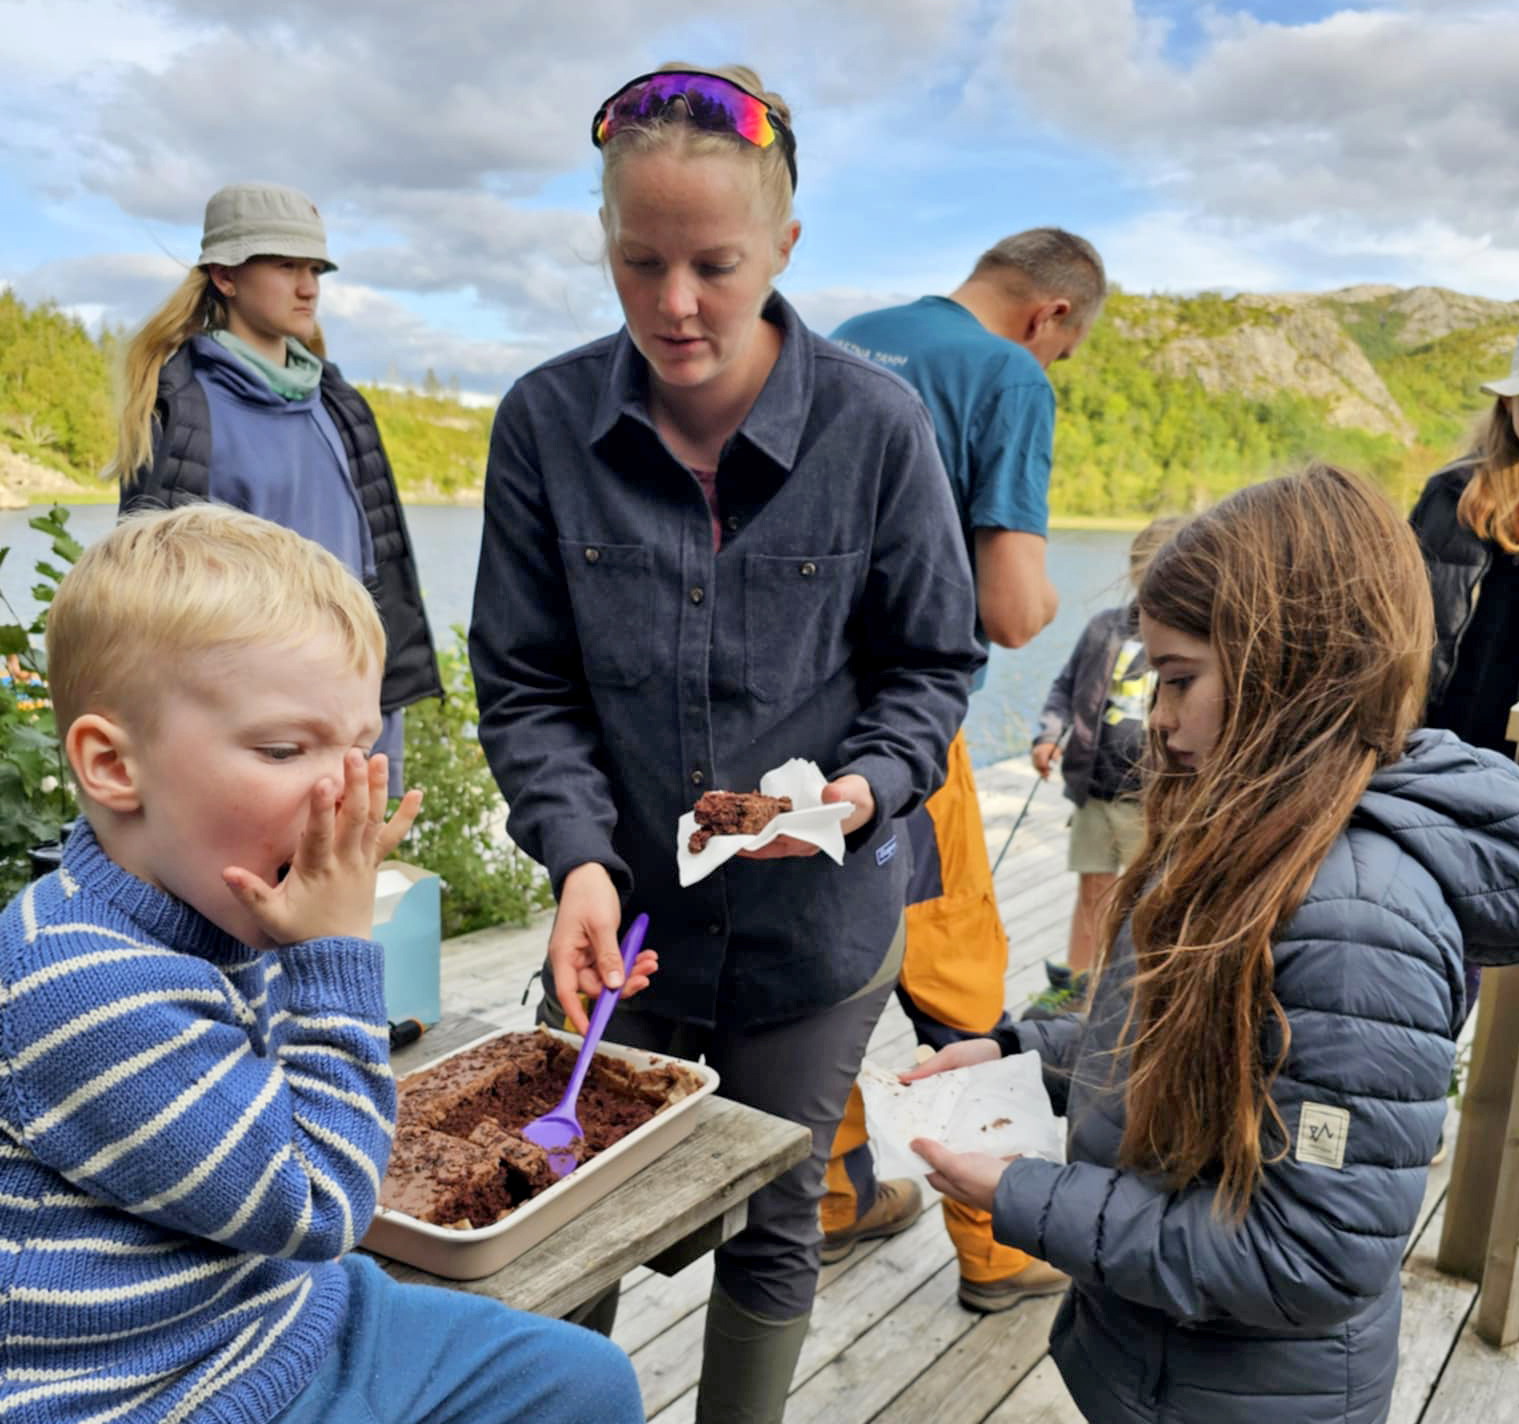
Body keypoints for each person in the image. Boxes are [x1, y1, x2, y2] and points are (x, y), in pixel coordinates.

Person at [468, 63, 981, 1423]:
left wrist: (861, 794)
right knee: (561, 1203)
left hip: (821, 926)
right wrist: (575, 860)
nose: (677, 304)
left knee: (772, 1212)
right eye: (641, 262)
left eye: (716, 263)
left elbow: (934, 665)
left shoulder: (878, 423)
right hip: (622, 916)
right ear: (606, 243)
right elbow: (524, 685)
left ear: (787, 247)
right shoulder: (541, 425)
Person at [903, 464, 1519, 1424]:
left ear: (1292, 666)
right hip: (1158, 1370)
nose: (1156, 716)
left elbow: (1311, 1256)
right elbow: (1191, 1038)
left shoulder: (1359, 922)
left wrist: (1027, 1197)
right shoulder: (1242, 829)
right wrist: (1029, 1057)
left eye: (1178, 679)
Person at [0, 504, 644, 1424]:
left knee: (585, 1380)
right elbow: (317, 1205)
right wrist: (334, 956)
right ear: (113, 766)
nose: (344, 788)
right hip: (164, 1388)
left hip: (272, 1307)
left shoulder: (209, 908)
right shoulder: (79, 987)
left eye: (359, 746)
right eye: (283, 749)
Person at [818, 229, 1105, 1311]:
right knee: (958, 979)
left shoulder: (847, 339)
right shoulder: (1008, 375)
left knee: (825, 957)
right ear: (1051, 318)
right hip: (905, 728)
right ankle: (999, 1249)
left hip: (793, 736)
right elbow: (1013, 606)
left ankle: (833, 1199)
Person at [111, 181, 440, 795]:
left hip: (350, 734)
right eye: (286, 265)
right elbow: (152, 615)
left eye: (314, 268)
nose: (308, 286)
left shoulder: (340, 407)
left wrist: (380, 755)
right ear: (225, 276)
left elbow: (376, 589)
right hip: (245, 755)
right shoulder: (180, 411)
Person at [1409, 318, 1519, 1017]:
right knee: (1420, 908)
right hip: (1430, 744)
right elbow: (1394, 617)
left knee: (1491, 924)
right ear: (1507, 404)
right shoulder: (1450, 495)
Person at [1031, 516, 1184, 990]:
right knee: (1093, 890)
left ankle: (1134, 994)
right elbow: (1064, 688)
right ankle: (1078, 988)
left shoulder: (1191, 641)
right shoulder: (1104, 629)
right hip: (1095, 790)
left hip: (1152, 800)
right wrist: (1048, 735)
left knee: (1147, 900)